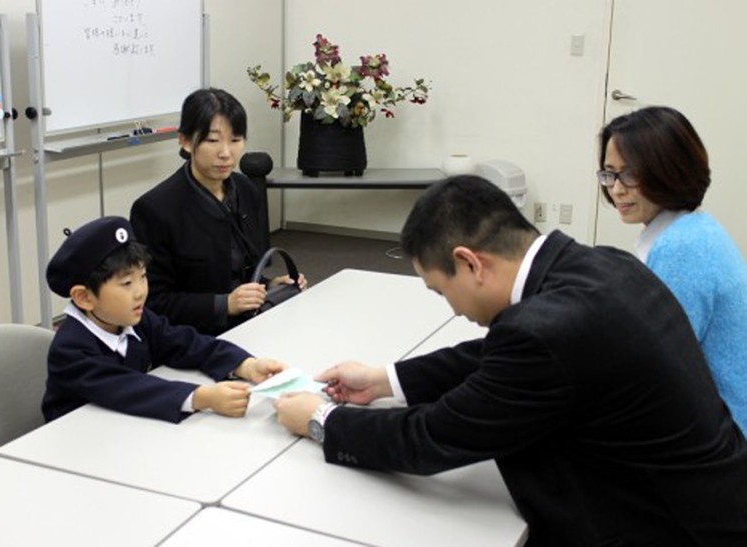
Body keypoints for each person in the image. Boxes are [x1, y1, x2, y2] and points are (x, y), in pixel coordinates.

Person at [273, 176, 747, 545]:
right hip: (712, 501)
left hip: (663, 530)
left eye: (441, 290)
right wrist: (384, 380)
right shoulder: (600, 264)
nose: (452, 309)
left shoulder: (543, 332)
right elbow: (496, 356)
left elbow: (431, 437)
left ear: (470, 263)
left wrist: (322, 420)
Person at [42, 215, 285, 423]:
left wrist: (245, 365)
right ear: (84, 297)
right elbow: (126, 388)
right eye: (126, 283)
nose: (140, 291)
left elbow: (185, 342)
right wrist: (202, 397)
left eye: (143, 276)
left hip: (127, 428)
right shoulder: (70, 349)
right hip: (81, 441)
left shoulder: (134, 318)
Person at [599, 105, 747, 432]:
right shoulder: (693, 228)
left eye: (631, 174)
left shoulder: (682, 247)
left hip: (725, 436)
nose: (617, 188)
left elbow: (656, 368)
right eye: (610, 173)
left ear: (669, 171)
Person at [130, 87, 307, 335]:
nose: (226, 153)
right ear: (185, 141)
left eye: (235, 140)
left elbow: (241, 269)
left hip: (251, 322)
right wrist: (224, 304)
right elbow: (153, 302)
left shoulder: (246, 190)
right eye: (212, 141)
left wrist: (268, 286)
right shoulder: (155, 209)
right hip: (191, 337)